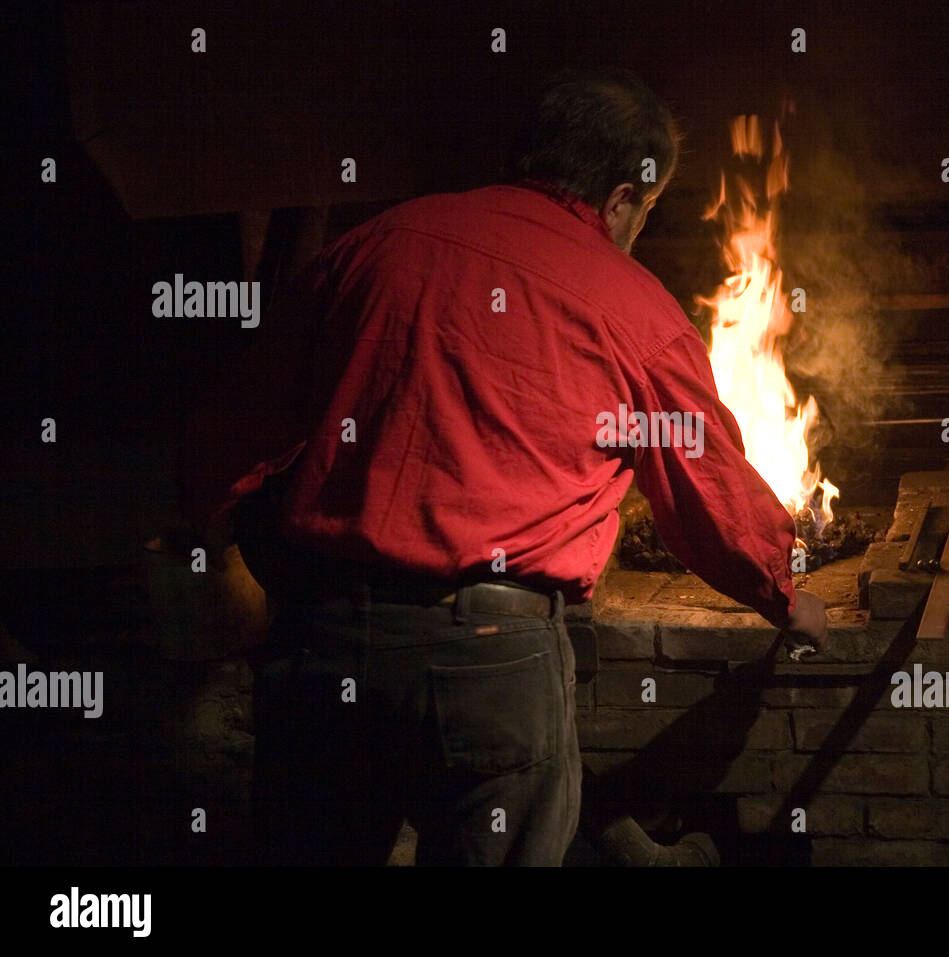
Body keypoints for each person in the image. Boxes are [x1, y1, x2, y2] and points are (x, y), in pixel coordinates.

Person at [179, 66, 828, 866]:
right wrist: (784, 588)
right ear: (624, 197)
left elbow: (238, 421)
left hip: (325, 644)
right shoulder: (632, 306)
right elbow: (707, 489)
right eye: (646, 213)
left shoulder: (376, 245)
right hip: (489, 657)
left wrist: (204, 526)